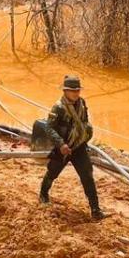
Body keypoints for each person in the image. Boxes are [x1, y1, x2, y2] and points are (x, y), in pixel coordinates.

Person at [39, 75, 103, 220]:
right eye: (73, 91)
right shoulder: (58, 107)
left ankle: (95, 209)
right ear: (65, 91)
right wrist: (61, 144)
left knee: (87, 176)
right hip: (63, 146)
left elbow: (85, 122)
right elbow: (49, 128)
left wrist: (85, 136)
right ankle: (43, 195)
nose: (76, 93)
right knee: (52, 172)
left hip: (78, 147)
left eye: (78, 90)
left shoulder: (82, 103)